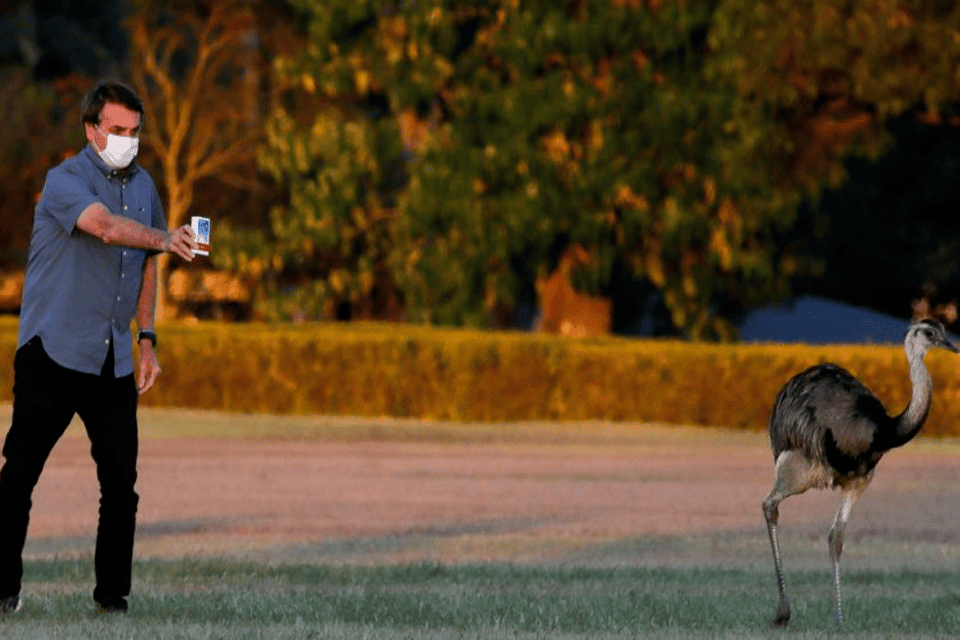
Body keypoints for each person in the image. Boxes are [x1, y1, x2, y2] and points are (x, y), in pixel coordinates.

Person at [0, 80, 198, 616]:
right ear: (92, 130)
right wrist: (163, 237)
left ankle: (112, 600)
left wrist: (148, 339)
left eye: (135, 132)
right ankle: (2, 589)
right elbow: (108, 230)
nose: (127, 141)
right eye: (117, 131)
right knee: (19, 474)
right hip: (53, 351)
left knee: (120, 486)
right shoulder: (64, 180)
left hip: (111, 357)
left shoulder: (146, 186)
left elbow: (146, 268)